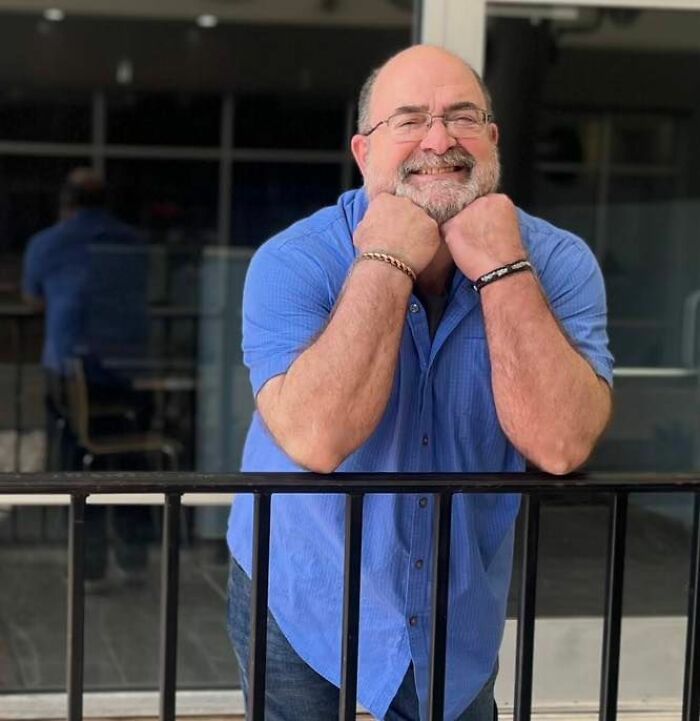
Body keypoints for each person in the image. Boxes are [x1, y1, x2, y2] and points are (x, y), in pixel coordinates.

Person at [226, 45, 613, 721]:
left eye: (462, 117)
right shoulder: (292, 261)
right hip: (304, 594)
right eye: (409, 120)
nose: (438, 141)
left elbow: (561, 444)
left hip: (455, 612)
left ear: (492, 140)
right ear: (364, 151)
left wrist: (502, 267)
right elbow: (318, 439)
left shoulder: (557, 261)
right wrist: (385, 258)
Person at [22, 167, 153, 587]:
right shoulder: (131, 243)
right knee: (132, 463)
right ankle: (133, 557)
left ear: (66, 203)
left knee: (76, 464)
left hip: (70, 375)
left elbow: (33, 298)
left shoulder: (47, 243)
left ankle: (89, 566)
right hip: (126, 370)